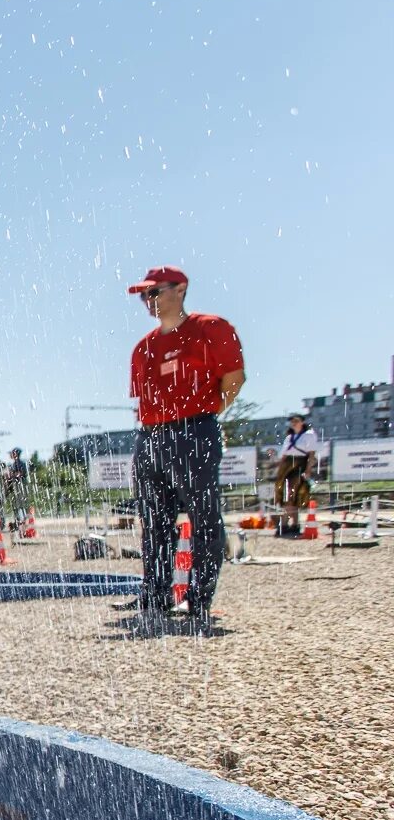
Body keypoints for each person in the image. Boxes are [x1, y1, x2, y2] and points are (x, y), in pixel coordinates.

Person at [125, 265, 244, 634]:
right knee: (154, 522)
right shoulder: (143, 348)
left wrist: (199, 418)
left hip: (194, 431)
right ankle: (156, 594)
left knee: (204, 517)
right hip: (150, 437)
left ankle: (199, 597)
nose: (149, 301)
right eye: (145, 295)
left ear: (180, 289)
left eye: (155, 292)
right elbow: (142, 400)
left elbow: (233, 379)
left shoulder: (211, 329)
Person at [274, 413, 320, 534]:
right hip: (287, 466)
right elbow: (283, 455)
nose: (294, 423)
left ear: (302, 422)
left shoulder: (308, 435)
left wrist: (308, 470)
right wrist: (278, 467)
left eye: (296, 421)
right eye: (292, 421)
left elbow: (311, 454)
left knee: (293, 495)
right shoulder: (289, 437)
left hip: (299, 465)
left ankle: (286, 523)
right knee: (284, 494)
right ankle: (292, 524)